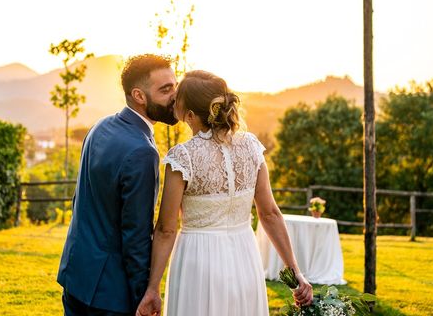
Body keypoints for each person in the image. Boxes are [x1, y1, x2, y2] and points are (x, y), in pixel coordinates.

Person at [137, 70, 313, 316]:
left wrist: (152, 289)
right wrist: (296, 271)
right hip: (245, 258)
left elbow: (166, 229)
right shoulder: (251, 146)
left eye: (178, 99)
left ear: (189, 115)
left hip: (197, 263)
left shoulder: (182, 157)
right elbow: (270, 213)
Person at [56, 54, 178, 316]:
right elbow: (136, 235)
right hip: (110, 295)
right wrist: (143, 295)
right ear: (139, 95)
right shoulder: (143, 151)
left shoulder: (100, 126)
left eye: (175, 86)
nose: (175, 96)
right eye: (165, 89)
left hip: (75, 276)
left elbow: (82, 200)